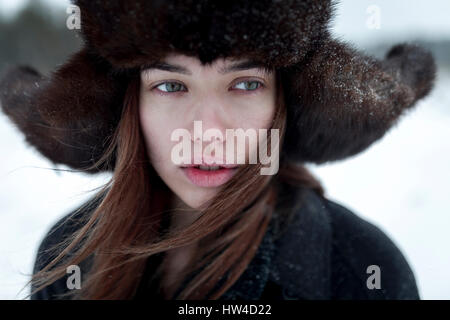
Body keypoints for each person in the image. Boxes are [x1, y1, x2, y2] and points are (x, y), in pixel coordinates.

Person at [0, 0, 436, 300]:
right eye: (171, 85)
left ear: (281, 104)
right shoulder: (67, 257)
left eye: (246, 84)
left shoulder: (362, 268)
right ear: (131, 107)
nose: (208, 131)